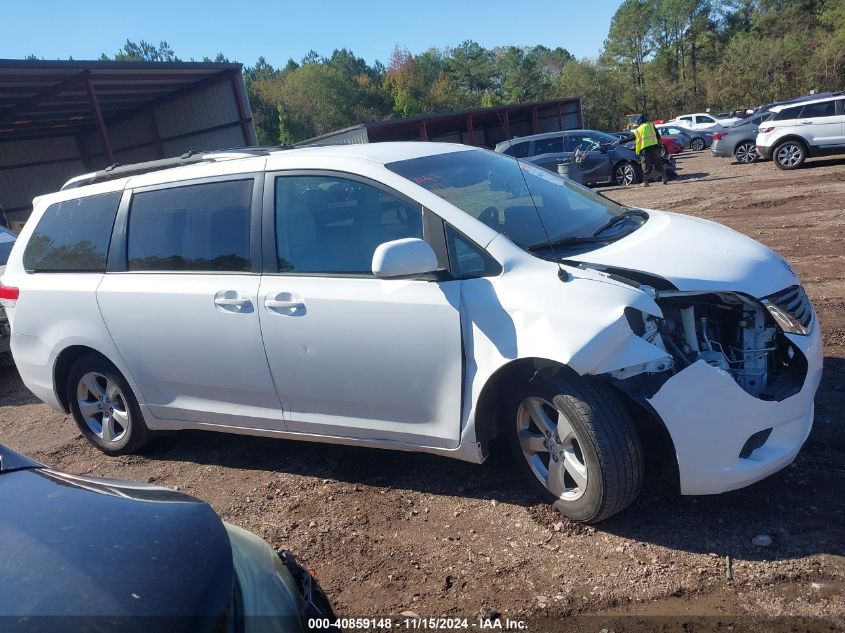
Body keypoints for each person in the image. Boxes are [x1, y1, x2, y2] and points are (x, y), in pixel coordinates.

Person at [633, 118, 667, 187]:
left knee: (646, 166)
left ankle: (646, 182)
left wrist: (637, 151)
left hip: (645, 149)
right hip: (654, 147)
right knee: (658, 163)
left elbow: (635, 140)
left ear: (639, 122)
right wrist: (659, 145)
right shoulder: (651, 125)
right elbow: (658, 136)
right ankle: (664, 178)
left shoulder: (638, 130)